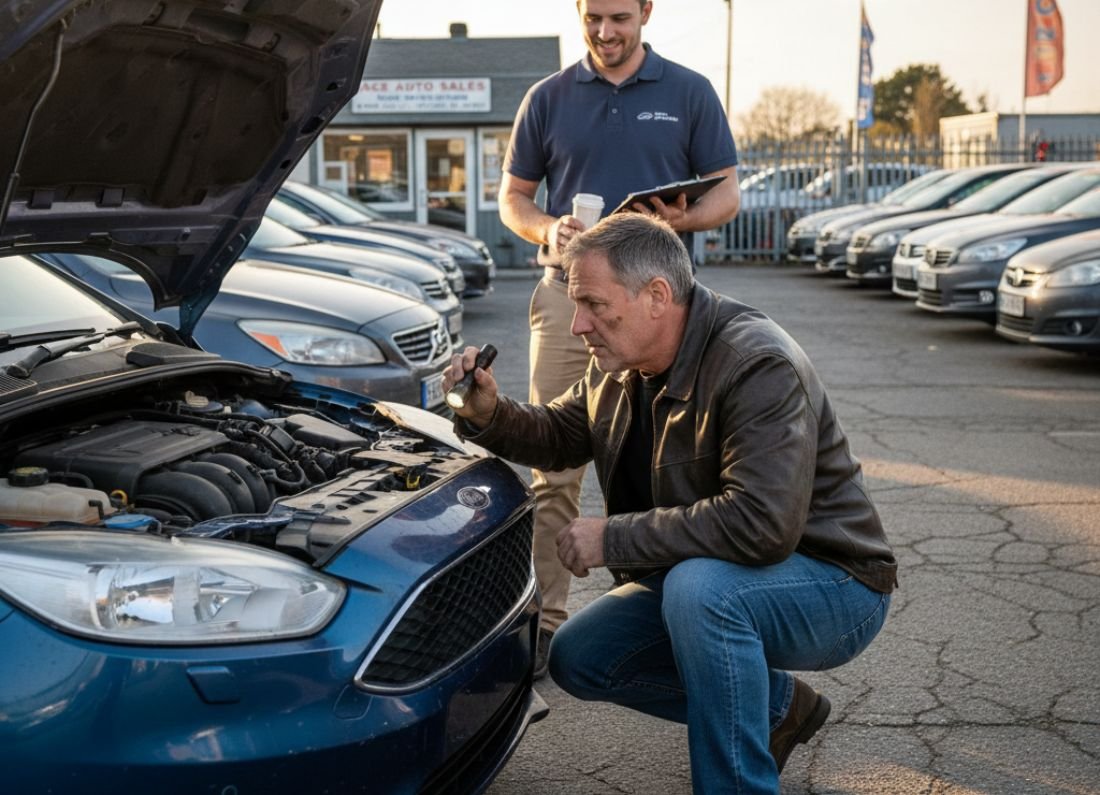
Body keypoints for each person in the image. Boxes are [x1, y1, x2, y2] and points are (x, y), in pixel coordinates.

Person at [442, 213, 897, 794]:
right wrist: (488, 413)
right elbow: (559, 433)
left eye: (592, 303)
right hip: (713, 569)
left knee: (701, 592)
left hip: (833, 583)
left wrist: (613, 538)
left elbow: (762, 524)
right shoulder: (620, 365)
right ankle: (778, 708)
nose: (578, 324)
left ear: (657, 295)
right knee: (581, 656)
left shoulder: (755, 363)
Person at [498, 0, 741, 676]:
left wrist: (680, 218)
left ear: (645, 12)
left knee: (678, 466)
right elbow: (511, 198)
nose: (606, 32)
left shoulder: (688, 91)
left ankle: (675, 614)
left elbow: (728, 196)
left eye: (619, 18)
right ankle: (547, 622)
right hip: (567, 298)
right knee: (555, 466)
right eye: (593, 17)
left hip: (661, 305)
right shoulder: (546, 98)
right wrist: (548, 229)